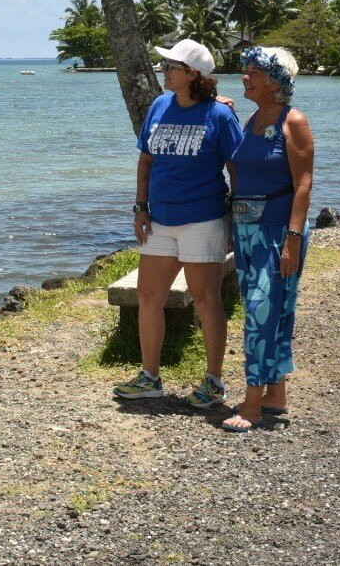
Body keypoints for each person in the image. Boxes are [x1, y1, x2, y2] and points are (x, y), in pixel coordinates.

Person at [113, 39, 242, 407]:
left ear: (192, 74)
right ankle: (150, 377)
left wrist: (236, 216)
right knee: (148, 296)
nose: (163, 70)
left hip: (203, 220)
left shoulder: (219, 115)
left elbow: (236, 168)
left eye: (170, 66)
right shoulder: (159, 105)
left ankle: (214, 381)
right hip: (160, 221)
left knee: (206, 300)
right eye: (165, 64)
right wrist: (140, 208)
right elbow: (146, 161)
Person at [222, 46, 314, 433]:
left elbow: (304, 184)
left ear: (275, 81)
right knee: (272, 311)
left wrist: (292, 237)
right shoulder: (251, 120)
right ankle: (276, 393)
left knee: (260, 312)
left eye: (253, 71)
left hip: (278, 232)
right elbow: (237, 168)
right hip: (246, 231)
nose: (245, 76)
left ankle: (253, 403)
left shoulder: (294, 122)